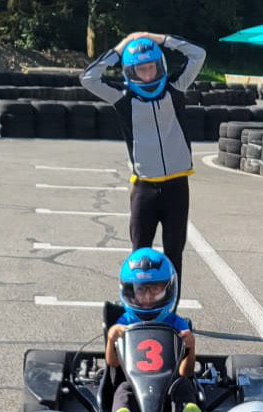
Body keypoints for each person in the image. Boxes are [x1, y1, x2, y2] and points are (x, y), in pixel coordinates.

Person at [81, 30, 208, 281]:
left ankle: (171, 305)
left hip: (176, 186)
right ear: (130, 72)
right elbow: (88, 78)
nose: (148, 74)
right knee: (139, 255)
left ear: (160, 65)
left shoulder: (175, 88)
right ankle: (137, 304)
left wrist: (160, 38)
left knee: (174, 254)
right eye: (141, 70)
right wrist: (121, 48)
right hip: (144, 188)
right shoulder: (123, 99)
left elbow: (199, 55)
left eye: (151, 67)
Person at [103, 247, 204, 412]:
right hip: (135, 387)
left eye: (155, 289)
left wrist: (191, 347)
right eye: (141, 290)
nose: (148, 297)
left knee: (183, 387)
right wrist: (111, 339)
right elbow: (113, 364)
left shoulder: (178, 323)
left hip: (169, 390)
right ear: (129, 291)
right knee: (123, 390)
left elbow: (186, 372)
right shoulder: (124, 322)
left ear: (168, 289)